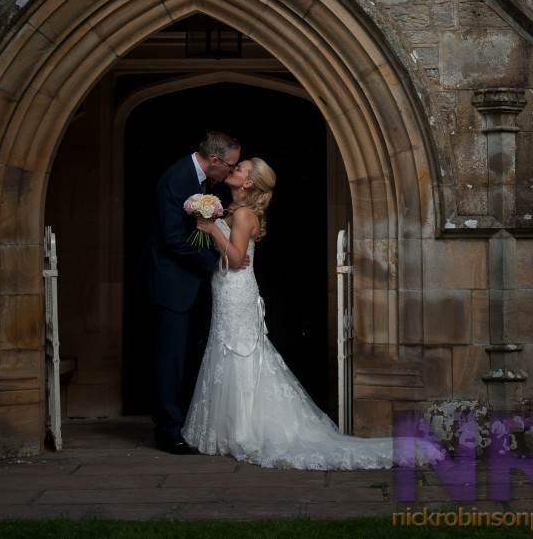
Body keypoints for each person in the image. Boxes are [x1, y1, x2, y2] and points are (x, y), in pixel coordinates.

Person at [182, 157, 395, 469]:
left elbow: (236, 257)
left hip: (236, 290)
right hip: (227, 286)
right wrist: (214, 225)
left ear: (249, 183)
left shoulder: (241, 213)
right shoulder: (232, 210)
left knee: (239, 351)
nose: (234, 169)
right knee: (228, 348)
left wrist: (212, 229)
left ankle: (242, 431)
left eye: (240, 168)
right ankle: (228, 428)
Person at [138, 130, 243, 455]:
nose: (230, 172)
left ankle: (173, 419)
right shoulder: (177, 178)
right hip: (171, 282)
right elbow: (171, 238)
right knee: (170, 357)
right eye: (229, 165)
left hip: (186, 282)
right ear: (214, 161)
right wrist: (213, 259)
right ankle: (168, 432)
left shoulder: (200, 180)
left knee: (179, 354)